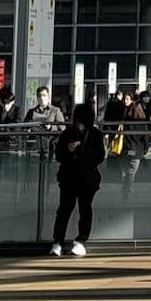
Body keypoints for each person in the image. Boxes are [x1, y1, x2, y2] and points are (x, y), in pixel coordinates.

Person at [49, 105, 106, 259]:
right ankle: (64, 241)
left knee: (77, 209)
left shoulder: (92, 134)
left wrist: (78, 151)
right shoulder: (89, 134)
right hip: (76, 177)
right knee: (69, 209)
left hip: (79, 177)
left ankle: (71, 241)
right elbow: (60, 154)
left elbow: (99, 156)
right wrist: (71, 150)